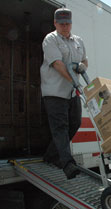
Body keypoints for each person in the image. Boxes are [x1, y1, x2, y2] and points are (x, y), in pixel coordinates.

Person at [40, 8, 88, 179]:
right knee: (60, 127)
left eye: (67, 24)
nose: (65, 27)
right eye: (61, 24)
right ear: (55, 23)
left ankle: (51, 155)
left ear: (71, 23)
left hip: (71, 93)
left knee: (75, 123)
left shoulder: (78, 41)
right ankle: (67, 164)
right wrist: (74, 81)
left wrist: (83, 66)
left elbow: (84, 60)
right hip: (54, 91)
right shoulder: (50, 39)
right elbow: (58, 64)